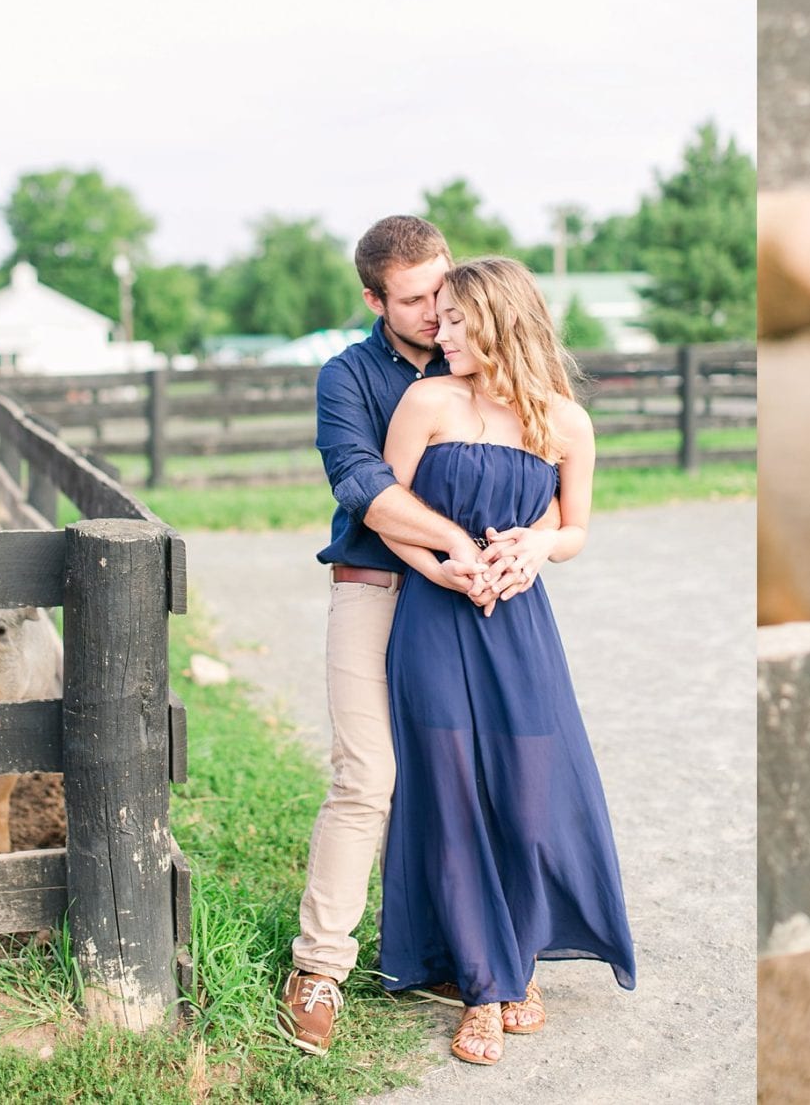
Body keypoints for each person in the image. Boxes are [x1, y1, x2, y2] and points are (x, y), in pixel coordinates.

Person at [375, 255, 635, 1065]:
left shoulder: (565, 423)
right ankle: (487, 989)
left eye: (456, 320)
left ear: (500, 321)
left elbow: (575, 530)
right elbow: (389, 516)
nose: (439, 332)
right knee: (450, 796)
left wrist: (534, 548)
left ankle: (521, 958)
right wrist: (445, 566)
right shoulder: (426, 402)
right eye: (437, 318)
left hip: (520, 627)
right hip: (432, 619)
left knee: (528, 796)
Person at [280, 216, 528, 1056]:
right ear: (374, 299)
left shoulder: (490, 364)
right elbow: (364, 485)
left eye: (443, 289)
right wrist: (452, 543)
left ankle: (459, 954)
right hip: (377, 587)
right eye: (415, 299)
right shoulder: (346, 377)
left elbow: (540, 477)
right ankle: (318, 968)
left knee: (465, 776)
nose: (435, 311)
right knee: (368, 775)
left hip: (470, 601)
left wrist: (521, 553)